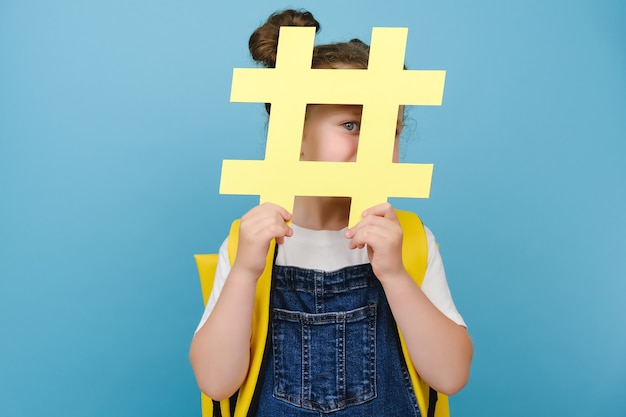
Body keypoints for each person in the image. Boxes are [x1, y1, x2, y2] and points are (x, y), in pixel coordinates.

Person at [190, 9, 472, 416]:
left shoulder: (408, 240)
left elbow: (451, 376)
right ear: (295, 134)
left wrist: (394, 276)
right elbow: (217, 383)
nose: (375, 144)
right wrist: (245, 272)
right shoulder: (248, 242)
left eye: (389, 130)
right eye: (352, 125)